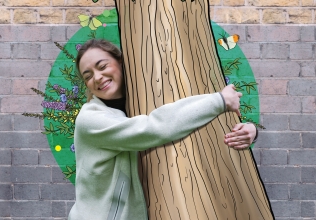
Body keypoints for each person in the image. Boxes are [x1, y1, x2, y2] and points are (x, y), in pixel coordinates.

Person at [68, 39, 257, 220]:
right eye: (88, 76)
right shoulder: (90, 120)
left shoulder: (137, 103)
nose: (97, 77)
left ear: (120, 62)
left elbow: (183, 123)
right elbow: (153, 128)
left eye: (102, 66)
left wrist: (249, 130)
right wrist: (219, 101)